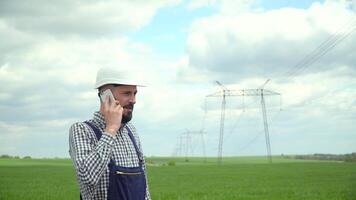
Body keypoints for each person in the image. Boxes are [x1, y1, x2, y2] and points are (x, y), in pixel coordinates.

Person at [69, 67, 151, 200]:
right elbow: (87, 178)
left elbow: (144, 189)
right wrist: (111, 128)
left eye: (134, 93)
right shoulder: (82, 130)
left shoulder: (131, 132)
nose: (133, 100)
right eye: (126, 93)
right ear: (105, 95)